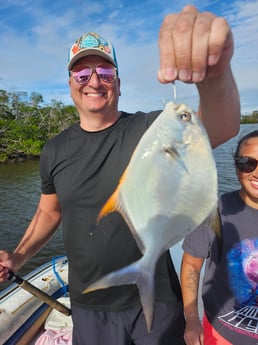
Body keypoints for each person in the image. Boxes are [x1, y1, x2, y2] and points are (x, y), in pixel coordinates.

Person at [0, 5, 240, 345]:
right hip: (89, 302)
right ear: (71, 86)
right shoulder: (54, 149)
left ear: (119, 83)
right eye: (82, 75)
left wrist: (215, 74)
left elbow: (223, 125)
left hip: (158, 300)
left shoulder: (150, 130)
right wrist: (19, 255)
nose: (94, 81)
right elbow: (48, 211)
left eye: (105, 72)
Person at [181, 130, 258, 345]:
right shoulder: (214, 210)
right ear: (236, 166)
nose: (256, 173)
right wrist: (192, 319)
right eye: (247, 163)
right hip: (222, 334)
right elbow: (191, 265)